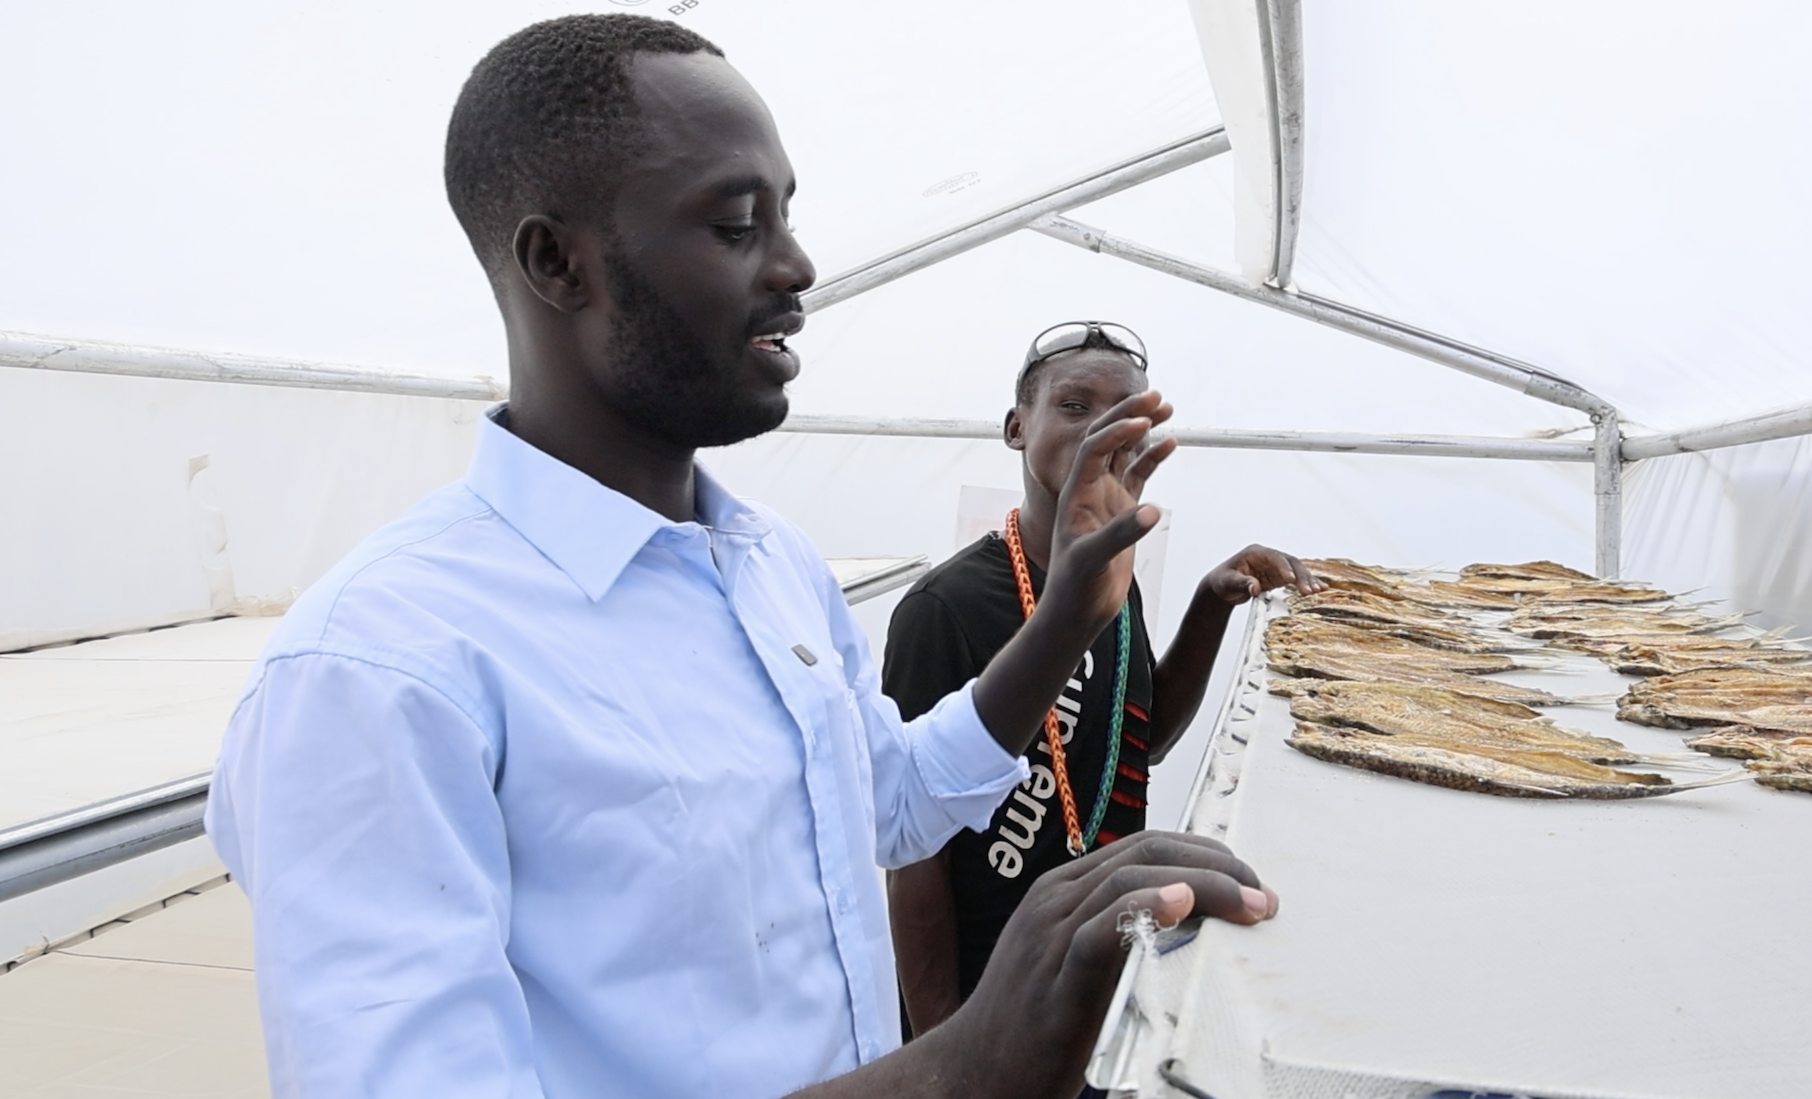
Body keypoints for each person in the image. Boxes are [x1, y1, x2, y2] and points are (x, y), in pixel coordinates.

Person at [202, 14, 1276, 1099]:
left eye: (788, 212)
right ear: (554, 262)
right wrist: (957, 1063)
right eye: (734, 223)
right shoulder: (380, 670)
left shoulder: (772, 567)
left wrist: (1069, 614)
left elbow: (891, 799)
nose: (797, 263)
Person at [882, 322, 1322, 1037]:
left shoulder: (1116, 583)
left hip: (1103, 971)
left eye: (1127, 413)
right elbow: (912, 856)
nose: (1102, 430)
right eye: (1076, 406)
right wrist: (941, 1045)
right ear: (1016, 426)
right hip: (985, 1004)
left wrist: (1210, 605)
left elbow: (1134, 746)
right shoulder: (943, 608)